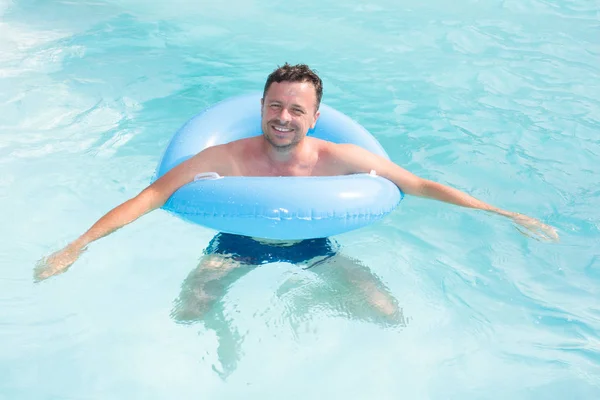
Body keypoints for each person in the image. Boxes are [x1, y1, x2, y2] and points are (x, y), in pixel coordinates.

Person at [35, 63, 558, 284]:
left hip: (313, 240)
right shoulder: (226, 158)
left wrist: (505, 213)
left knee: (383, 313)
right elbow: (150, 197)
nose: (283, 118)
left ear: (314, 117)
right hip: (236, 238)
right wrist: (76, 245)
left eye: (296, 110)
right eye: (275, 106)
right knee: (191, 314)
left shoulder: (339, 158)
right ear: (261, 105)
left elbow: (418, 185)